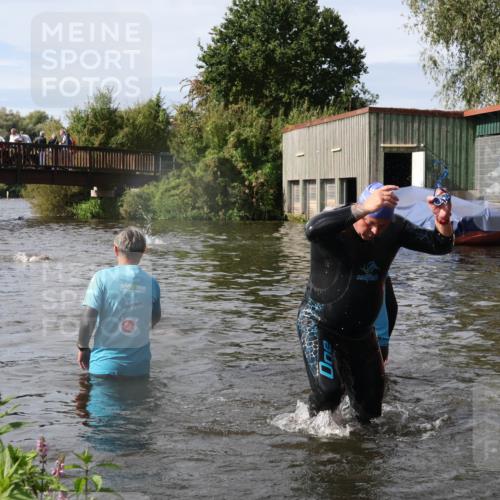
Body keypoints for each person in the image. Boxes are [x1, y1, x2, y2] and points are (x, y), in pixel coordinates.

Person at [296, 182, 453, 422]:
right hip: (319, 323)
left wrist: (442, 220)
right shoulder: (336, 226)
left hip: (360, 332)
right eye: (370, 223)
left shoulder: (395, 228)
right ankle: (308, 427)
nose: (375, 231)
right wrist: (363, 208)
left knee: (370, 411)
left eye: (382, 226)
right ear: (362, 210)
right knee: (329, 394)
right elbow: (311, 229)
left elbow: (440, 246)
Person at [77, 227, 161, 377]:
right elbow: (154, 318)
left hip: (105, 366)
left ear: (115, 250)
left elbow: (87, 318)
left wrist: (83, 348)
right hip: (139, 367)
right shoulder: (151, 282)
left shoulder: (101, 277)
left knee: (87, 393)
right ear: (144, 251)